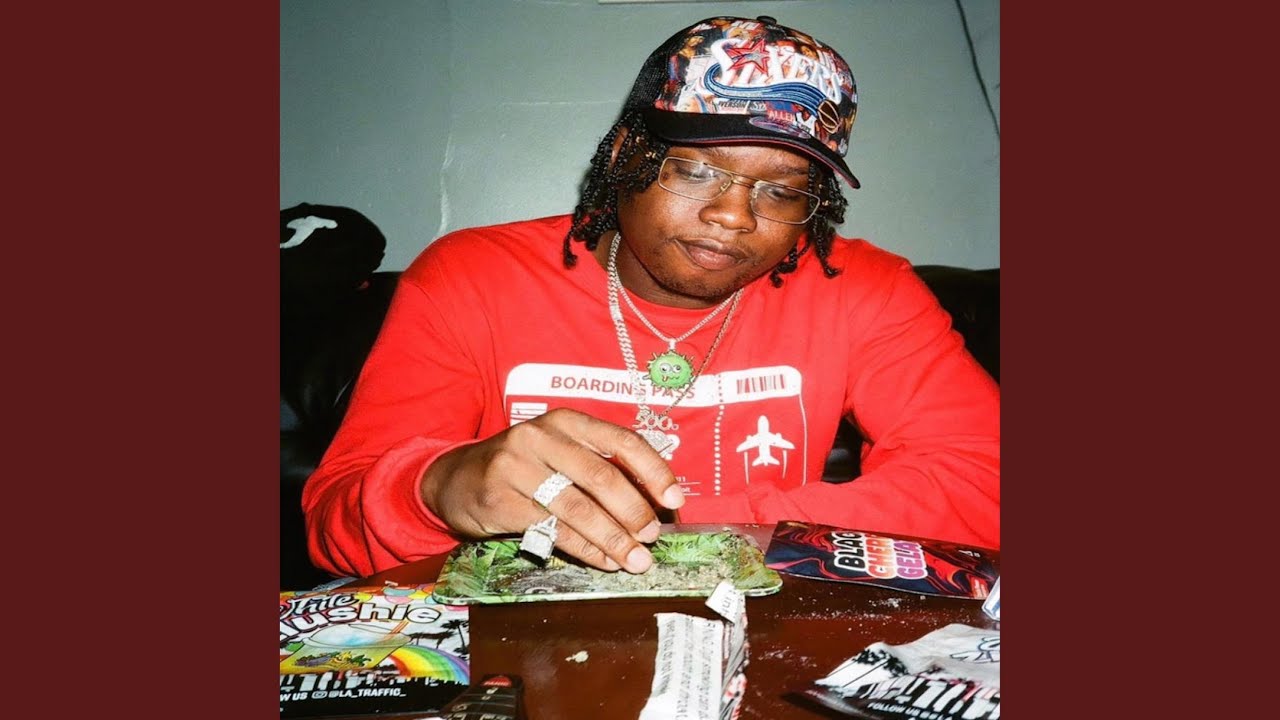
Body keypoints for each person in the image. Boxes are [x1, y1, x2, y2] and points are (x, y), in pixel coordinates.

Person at [303, 15, 999, 579]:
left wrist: (693, 530)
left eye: (783, 191)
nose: (734, 215)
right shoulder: (471, 276)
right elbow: (336, 527)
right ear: (623, 157)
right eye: (694, 170)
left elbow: (987, 483)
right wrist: (437, 490)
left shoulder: (863, 288)